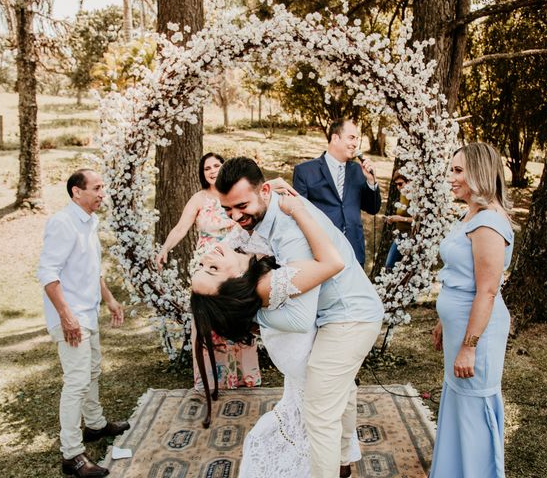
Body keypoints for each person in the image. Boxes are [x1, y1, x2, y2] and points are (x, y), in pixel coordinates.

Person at [192, 157, 384, 478]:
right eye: (228, 210)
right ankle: (343, 462)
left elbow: (300, 318)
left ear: (264, 191)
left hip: (348, 315)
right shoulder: (264, 212)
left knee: (319, 414)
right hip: (333, 312)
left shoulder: (288, 227)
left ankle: (335, 467)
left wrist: (253, 312)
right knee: (340, 389)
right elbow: (229, 249)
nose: (236, 217)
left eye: (241, 205)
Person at [37, 169, 129, 477]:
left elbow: (93, 268)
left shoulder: (90, 222)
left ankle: (95, 425)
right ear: (77, 192)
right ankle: (72, 455)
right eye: (97, 188)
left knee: (92, 370)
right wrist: (66, 316)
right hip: (71, 316)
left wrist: (110, 299)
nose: (103, 193)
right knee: (76, 381)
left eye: (103, 187)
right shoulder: (63, 223)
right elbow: (48, 274)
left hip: (88, 312)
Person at [429, 143, 514, 478]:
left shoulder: (489, 223)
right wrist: (442, 322)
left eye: (458, 170)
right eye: (452, 169)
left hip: (479, 333)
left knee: (474, 408)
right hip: (460, 326)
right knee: (457, 401)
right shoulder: (471, 214)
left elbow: (487, 291)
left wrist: (469, 345)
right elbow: (459, 276)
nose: (451, 177)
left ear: (480, 173)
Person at [155, 152, 261, 391]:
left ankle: (245, 376)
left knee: (239, 319)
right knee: (208, 324)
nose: (212, 170)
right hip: (207, 268)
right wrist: (165, 249)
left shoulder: (235, 196)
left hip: (235, 267)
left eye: (217, 165)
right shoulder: (199, 198)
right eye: (207, 168)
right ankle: (213, 379)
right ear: (202, 174)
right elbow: (181, 227)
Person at [292, 118, 381, 266]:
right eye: (351, 138)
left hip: (354, 251)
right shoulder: (305, 171)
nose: (355, 143)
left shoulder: (359, 171)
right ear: (335, 138)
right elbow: (298, 214)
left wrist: (371, 182)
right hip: (321, 252)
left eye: (357, 139)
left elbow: (373, 208)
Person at [384, 171, 413, 271]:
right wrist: (392, 219)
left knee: (393, 266)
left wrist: (400, 219)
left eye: (400, 184)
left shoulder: (415, 198)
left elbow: (419, 220)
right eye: (396, 184)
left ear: (409, 182)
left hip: (410, 236)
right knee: (389, 266)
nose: (398, 187)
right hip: (400, 235)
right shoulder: (402, 195)